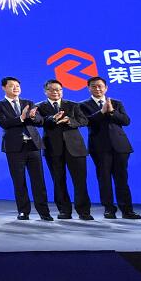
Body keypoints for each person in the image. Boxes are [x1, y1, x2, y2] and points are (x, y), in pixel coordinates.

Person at [80, 76, 141, 219]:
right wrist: (101, 112)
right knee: (104, 179)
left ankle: (127, 210)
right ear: (89, 88)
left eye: (100, 86)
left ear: (106, 88)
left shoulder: (116, 103)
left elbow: (126, 121)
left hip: (120, 146)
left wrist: (112, 111)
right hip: (99, 147)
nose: (97, 89)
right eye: (94, 86)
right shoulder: (83, 105)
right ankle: (109, 209)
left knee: (122, 179)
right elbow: (86, 122)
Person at [0, 77, 52, 221]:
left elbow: (40, 122)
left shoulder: (28, 103)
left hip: (33, 146)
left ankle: (44, 212)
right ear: (4, 88)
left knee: (39, 180)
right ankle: (23, 211)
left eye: (17, 86)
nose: (15, 88)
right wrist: (21, 117)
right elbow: (4, 123)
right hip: (14, 148)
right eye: (11, 86)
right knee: (19, 181)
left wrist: (33, 117)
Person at [37, 79, 93, 220]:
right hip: (53, 148)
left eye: (58, 89)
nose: (55, 92)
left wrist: (70, 121)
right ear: (45, 91)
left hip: (75, 147)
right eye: (51, 89)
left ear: (62, 91)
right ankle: (64, 211)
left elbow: (84, 121)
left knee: (80, 181)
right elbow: (39, 121)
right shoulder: (39, 107)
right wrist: (52, 118)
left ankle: (84, 211)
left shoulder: (73, 105)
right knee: (58, 180)